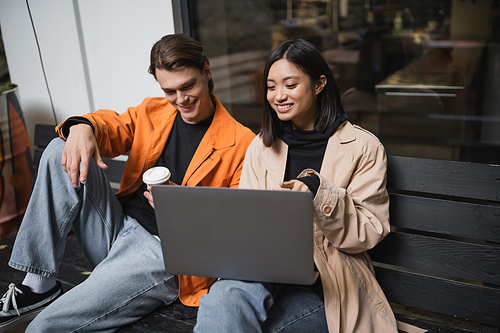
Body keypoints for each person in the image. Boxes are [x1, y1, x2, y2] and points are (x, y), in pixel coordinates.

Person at [0, 33, 255, 332]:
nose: (181, 100)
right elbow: (111, 127)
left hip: (164, 253)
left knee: (43, 329)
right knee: (60, 147)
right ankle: (39, 285)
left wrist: (182, 205)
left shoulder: (242, 142)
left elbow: (236, 227)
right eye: (170, 91)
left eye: (188, 86)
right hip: (116, 228)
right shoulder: (153, 111)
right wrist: (83, 127)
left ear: (207, 71)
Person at [194, 39, 399, 332]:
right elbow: (247, 220)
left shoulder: (363, 147)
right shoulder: (261, 147)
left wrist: (318, 193)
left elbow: (369, 231)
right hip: (263, 273)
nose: (278, 96)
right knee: (222, 299)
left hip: (326, 287)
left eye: (290, 85)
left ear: (319, 84)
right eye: (271, 86)